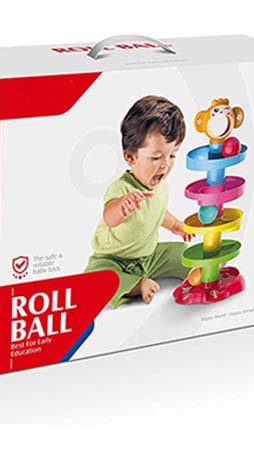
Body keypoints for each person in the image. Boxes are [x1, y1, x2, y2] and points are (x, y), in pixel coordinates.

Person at [84, 95, 193, 306]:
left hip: (149, 256)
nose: (166, 165)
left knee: (181, 252)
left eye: (172, 155)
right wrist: (121, 207)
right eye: (156, 157)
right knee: (94, 280)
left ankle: (200, 269)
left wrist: (176, 225)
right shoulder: (122, 189)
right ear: (130, 157)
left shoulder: (161, 187)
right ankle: (135, 285)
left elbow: (157, 211)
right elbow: (109, 217)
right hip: (113, 260)